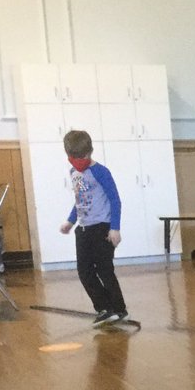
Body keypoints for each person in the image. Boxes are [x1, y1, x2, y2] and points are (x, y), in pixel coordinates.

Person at [58, 130, 128, 326]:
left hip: (103, 227)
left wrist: (115, 228)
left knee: (105, 269)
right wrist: (70, 221)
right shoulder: (74, 173)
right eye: (76, 157)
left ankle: (119, 309)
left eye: (85, 156)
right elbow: (80, 201)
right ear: (68, 156)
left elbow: (115, 200)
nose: (81, 161)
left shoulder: (100, 172)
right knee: (84, 271)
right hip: (84, 229)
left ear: (90, 152)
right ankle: (104, 308)